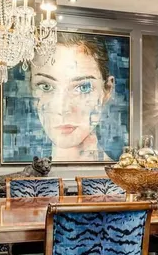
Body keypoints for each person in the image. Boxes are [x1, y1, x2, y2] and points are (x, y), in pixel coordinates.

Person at [28, 32, 115, 162]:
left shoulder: (120, 173)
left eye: (83, 87)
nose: (62, 109)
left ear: (107, 89)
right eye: (46, 86)